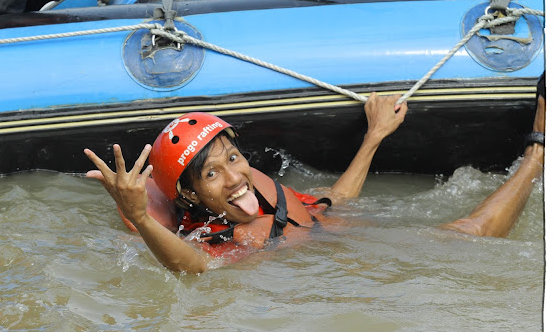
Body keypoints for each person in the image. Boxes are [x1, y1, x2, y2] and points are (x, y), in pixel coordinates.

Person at [85, 74, 544, 274]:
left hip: (355, 236)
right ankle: (538, 152)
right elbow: (199, 268)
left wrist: (375, 135)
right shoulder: (226, 239)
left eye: (232, 158)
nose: (234, 177)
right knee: (470, 232)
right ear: (188, 197)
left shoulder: (260, 194)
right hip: (356, 268)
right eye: (210, 175)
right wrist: (142, 219)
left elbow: (334, 200)